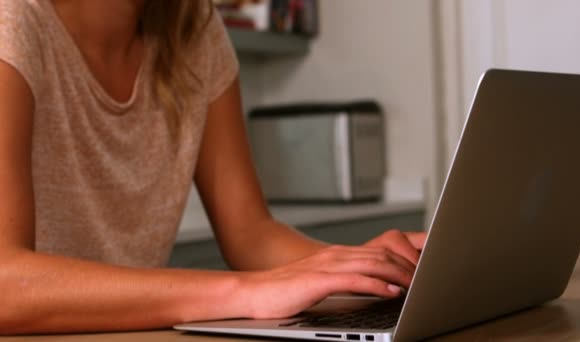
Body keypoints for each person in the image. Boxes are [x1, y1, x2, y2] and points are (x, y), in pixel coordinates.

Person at [0, 0, 426, 335]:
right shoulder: (14, 19)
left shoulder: (195, 30)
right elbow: (6, 285)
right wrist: (248, 292)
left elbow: (250, 233)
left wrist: (361, 266)